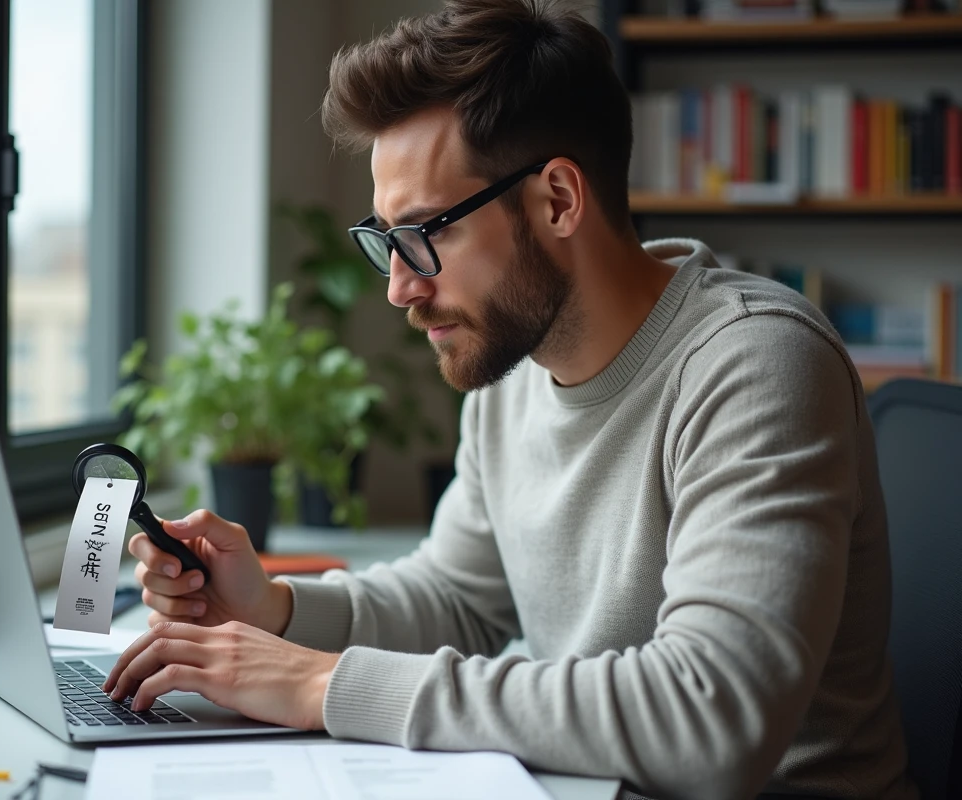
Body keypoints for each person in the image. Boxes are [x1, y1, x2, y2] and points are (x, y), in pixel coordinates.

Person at [101, 1, 915, 797]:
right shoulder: (512, 367)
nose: (398, 286)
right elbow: (458, 597)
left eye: (426, 233)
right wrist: (275, 610)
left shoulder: (756, 362)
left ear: (557, 199)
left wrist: (324, 686)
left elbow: (712, 718)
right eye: (385, 241)